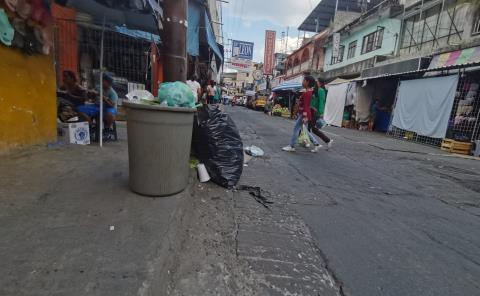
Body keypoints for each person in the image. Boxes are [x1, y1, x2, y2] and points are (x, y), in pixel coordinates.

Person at [282, 76, 320, 152]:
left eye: (304, 80)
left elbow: (306, 106)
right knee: (304, 129)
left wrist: (305, 116)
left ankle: (292, 146)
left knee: (296, 128)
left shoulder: (307, 93)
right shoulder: (308, 92)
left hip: (304, 114)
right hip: (304, 113)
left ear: (307, 82)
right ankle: (316, 144)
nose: (302, 82)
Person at [77, 73, 118, 140]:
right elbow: (91, 98)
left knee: (109, 114)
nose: (102, 82)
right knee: (79, 109)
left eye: (103, 81)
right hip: (97, 106)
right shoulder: (98, 88)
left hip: (108, 108)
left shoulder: (113, 93)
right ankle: (91, 125)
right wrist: (90, 94)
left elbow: (111, 105)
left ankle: (107, 130)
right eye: (102, 80)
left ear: (108, 83)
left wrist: (103, 97)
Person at [309, 78, 333, 152]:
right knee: (312, 129)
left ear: (320, 83)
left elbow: (322, 102)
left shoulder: (321, 90)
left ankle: (317, 144)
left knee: (309, 128)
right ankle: (327, 140)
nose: (316, 83)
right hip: (312, 111)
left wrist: (321, 112)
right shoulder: (316, 90)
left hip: (316, 112)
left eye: (317, 82)